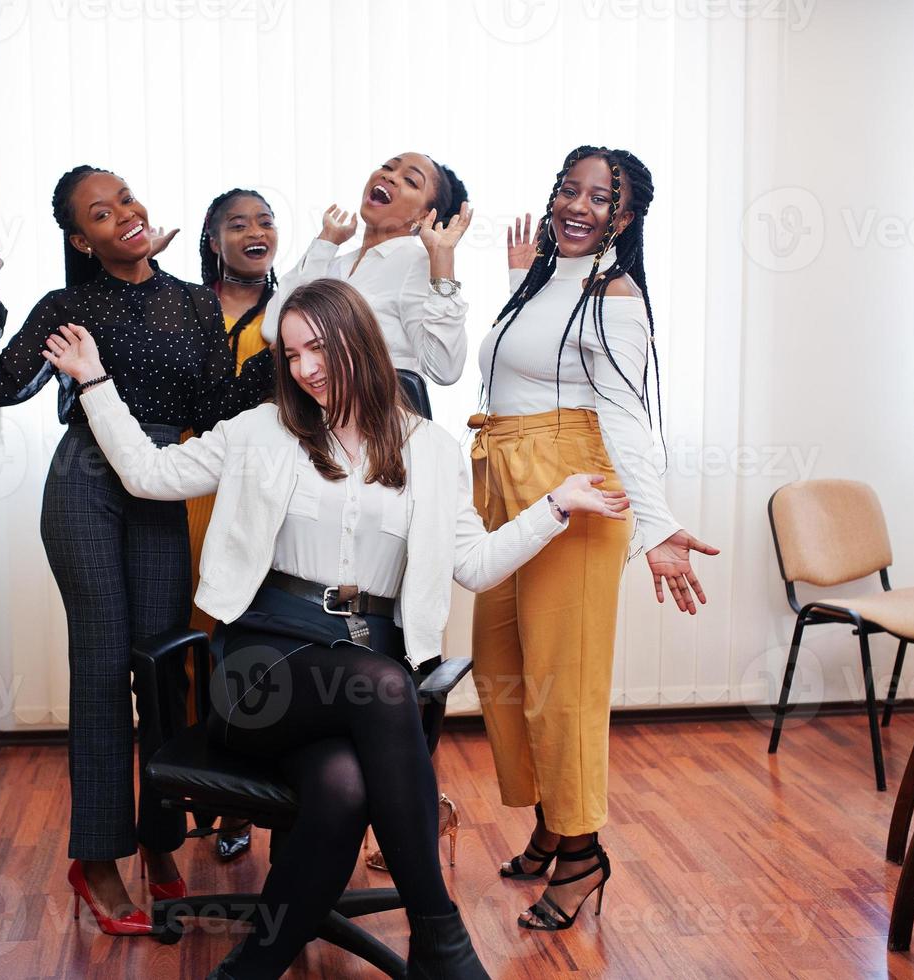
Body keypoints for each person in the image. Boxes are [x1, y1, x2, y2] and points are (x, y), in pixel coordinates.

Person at [40, 277, 630, 978]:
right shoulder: (260, 431)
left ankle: (246, 970)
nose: (304, 369)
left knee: (345, 786)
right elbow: (148, 475)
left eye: (316, 348)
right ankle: (440, 936)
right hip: (263, 668)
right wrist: (95, 382)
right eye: (290, 355)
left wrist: (554, 507)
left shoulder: (432, 451)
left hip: (359, 671)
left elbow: (472, 565)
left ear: (360, 340)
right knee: (384, 687)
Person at [0, 164, 272, 937]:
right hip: (86, 484)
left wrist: (288, 352)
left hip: (160, 482)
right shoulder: (69, 304)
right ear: (80, 238)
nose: (122, 214)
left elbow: (210, 407)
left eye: (126, 199)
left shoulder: (194, 303)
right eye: (101, 213)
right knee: (101, 669)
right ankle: (96, 858)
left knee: (161, 674)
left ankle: (158, 847)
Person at [471, 146, 719, 931]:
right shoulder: (547, 278)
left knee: (563, 681)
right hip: (509, 476)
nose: (578, 206)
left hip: (572, 485)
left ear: (627, 217)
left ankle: (580, 855)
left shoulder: (613, 295)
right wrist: (519, 282)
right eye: (567, 190)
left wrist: (656, 526)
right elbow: (528, 370)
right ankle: (550, 813)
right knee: (502, 665)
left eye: (600, 197)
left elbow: (622, 420)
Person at [188, 187, 281, 861]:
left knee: (256, 649)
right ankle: (210, 795)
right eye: (236, 223)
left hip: (269, 484)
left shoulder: (295, 306)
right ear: (212, 241)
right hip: (193, 482)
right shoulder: (184, 309)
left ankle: (252, 802)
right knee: (198, 646)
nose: (254, 229)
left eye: (264, 220)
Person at [261, 152, 472, 417]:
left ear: (424, 216)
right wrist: (326, 241)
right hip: (316, 421)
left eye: (410, 180)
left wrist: (442, 268)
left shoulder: (414, 262)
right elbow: (273, 329)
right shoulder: (333, 262)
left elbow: (445, 369)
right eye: (387, 167)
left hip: (377, 426)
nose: (389, 176)